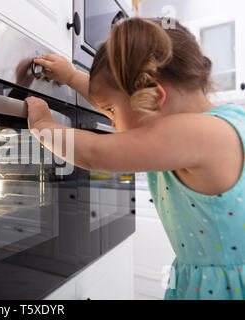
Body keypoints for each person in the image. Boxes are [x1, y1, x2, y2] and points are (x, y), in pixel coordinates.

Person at [25, 17, 245, 300]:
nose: (113, 123)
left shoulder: (199, 133)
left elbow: (95, 153)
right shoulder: (213, 122)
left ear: (155, 97)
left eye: (112, 111)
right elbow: (123, 105)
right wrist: (69, 77)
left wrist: (43, 126)